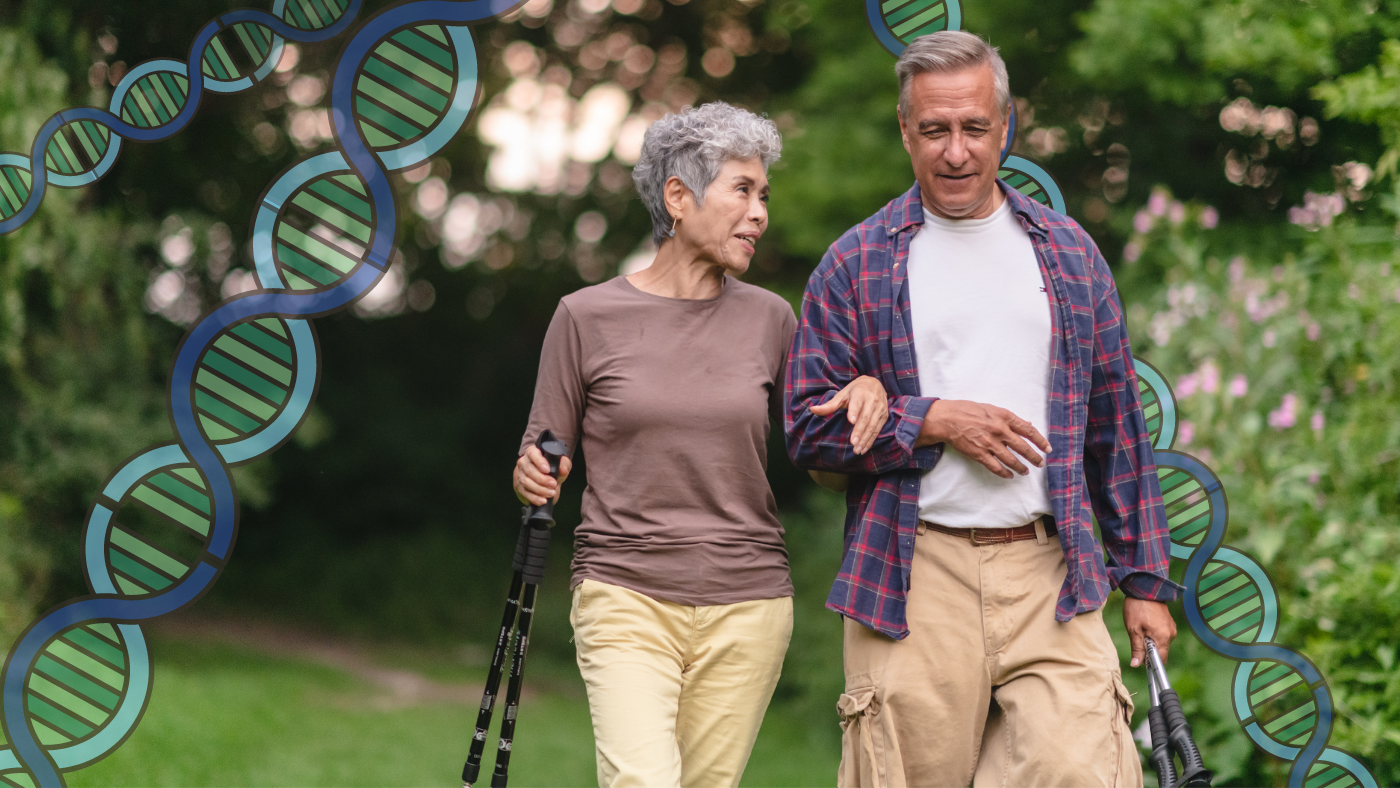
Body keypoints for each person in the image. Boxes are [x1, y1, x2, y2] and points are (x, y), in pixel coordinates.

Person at [785, 32, 1183, 787]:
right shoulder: (857, 261)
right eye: (935, 130)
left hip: (1050, 568)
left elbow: (1115, 427)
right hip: (913, 570)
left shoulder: (1067, 253)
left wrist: (1144, 580)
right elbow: (807, 427)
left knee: (1086, 768)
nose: (956, 152)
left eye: (974, 128)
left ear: (1007, 125)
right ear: (907, 130)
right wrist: (928, 420)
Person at [513, 102, 885, 788]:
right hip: (625, 593)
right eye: (742, 190)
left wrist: (865, 391)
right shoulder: (585, 317)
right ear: (678, 198)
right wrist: (533, 474)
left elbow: (826, 463)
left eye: (763, 194)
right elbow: (540, 452)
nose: (760, 212)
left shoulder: (773, 318)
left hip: (748, 604)